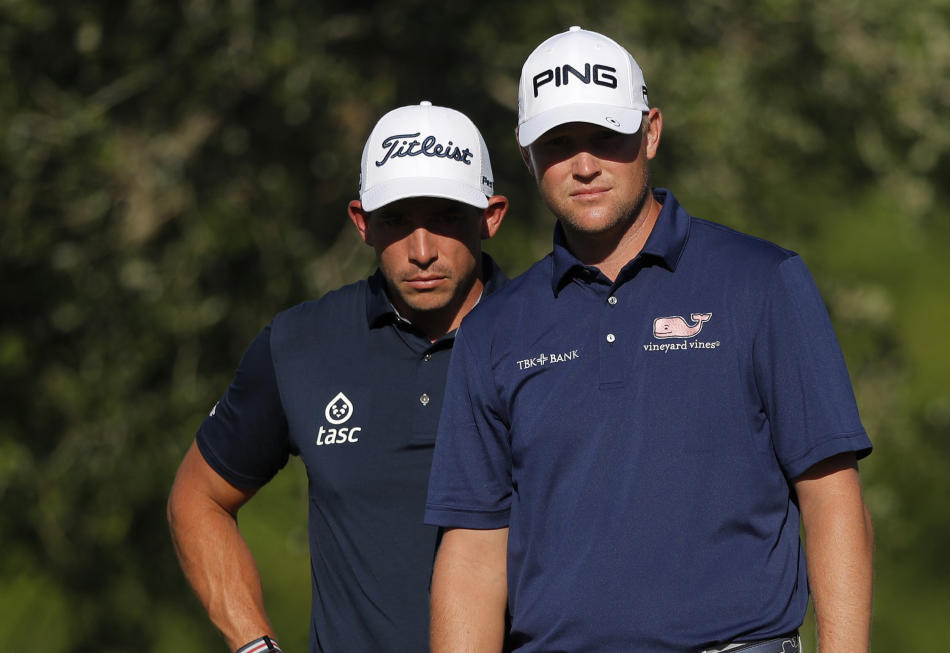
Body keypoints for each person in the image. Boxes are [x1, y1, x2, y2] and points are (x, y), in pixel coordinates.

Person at [425, 27, 873, 653]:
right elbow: (473, 552)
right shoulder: (493, 329)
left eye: (606, 137)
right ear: (527, 155)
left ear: (651, 132)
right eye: (559, 144)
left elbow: (829, 492)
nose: (585, 165)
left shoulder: (761, 281)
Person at [167, 101, 509, 653]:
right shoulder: (300, 343)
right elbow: (198, 499)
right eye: (397, 221)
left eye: (445, 217)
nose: (421, 251)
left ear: (490, 216)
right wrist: (255, 647)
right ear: (362, 223)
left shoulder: (551, 336)